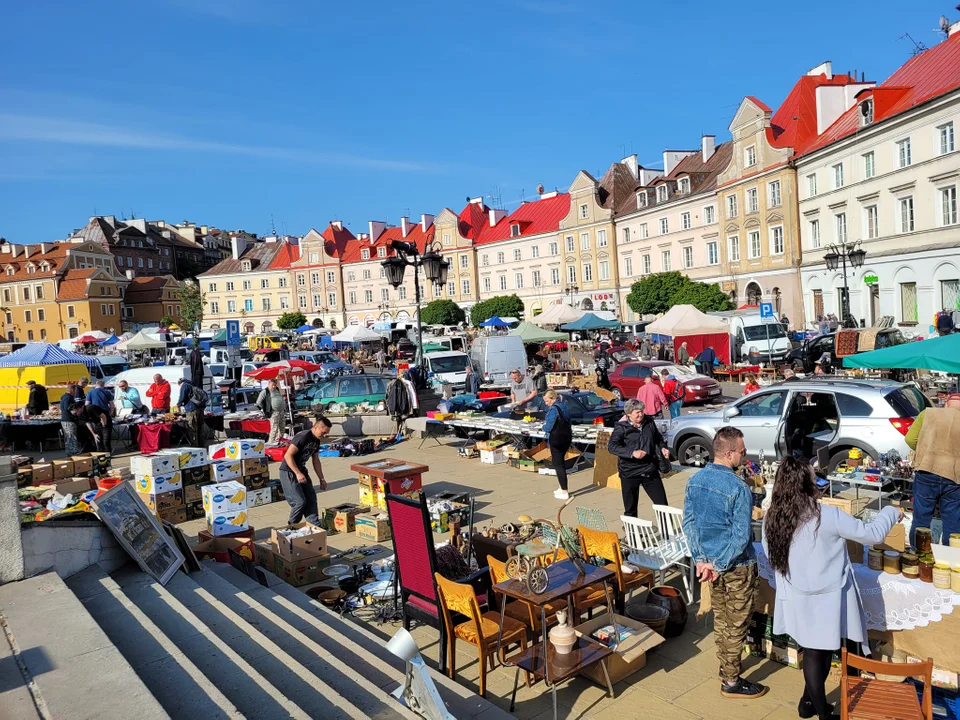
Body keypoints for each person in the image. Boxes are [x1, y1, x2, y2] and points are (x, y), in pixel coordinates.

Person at [763, 457, 901, 720]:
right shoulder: (825, 515)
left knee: (819, 651)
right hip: (826, 597)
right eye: (814, 477)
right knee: (818, 654)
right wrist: (891, 512)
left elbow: (772, 556)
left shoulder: (774, 516)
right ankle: (822, 714)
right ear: (806, 483)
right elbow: (872, 534)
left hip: (797, 596)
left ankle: (808, 703)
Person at [682, 427, 768, 700]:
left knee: (721, 619)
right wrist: (716, 564)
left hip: (710, 564)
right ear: (729, 453)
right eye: (742, 452)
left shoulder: (695, 480)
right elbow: (741, 536)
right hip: (736, 567)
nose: (744, 456)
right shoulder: (738, 488)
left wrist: (702, 560)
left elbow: (689, 524)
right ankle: (731, 680)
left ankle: (725, 669)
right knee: (736, 623)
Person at [905, 393, 960, 547]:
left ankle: (917, 557)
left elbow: (910, 439)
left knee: (921, 519)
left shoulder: (928, 413)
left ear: (946, 404)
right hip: (955, 476)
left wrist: (926, 451)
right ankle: (951, 560)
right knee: (953, 522)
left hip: (927, 470)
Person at [608, 398, 671, 516]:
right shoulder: (621, 427)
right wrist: (632, 453)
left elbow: (658, 438)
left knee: (662, 505)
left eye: (642, 411)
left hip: (649, 469)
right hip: (629, 472)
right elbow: (612, 447)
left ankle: (666, 532)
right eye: (637, 412)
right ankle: (632, 533)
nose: (641, 414)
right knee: (630, 508)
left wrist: (663, 447)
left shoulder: (649, 422)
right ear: (629, 414)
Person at [279, 417, 332, 525]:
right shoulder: (303, 437)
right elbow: (288, 455)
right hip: (288, 471)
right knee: (299, 502)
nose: (325, 435)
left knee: (311, 497)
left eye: (326, 433)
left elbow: (316, 461)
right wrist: (297, 473)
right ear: (316, 427)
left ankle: (315, 526)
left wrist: (321, 479)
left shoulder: (316, 441)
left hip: (301, 470)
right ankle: (292, 526)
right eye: (323, 432)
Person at [543, 390, 573, 501]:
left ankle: (564, 491)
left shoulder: (553, 409)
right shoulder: (564, 406)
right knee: (560, 462)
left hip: (556, 439)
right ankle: (561, 487)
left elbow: (549, 426)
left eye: (547, 401)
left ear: (552, 398)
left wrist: (543, 427)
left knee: (558, 464)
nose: (546, 404)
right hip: (566, 437)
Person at [176, 377, 205, 447]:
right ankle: (201, 446)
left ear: (180, 383)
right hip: (200, 408)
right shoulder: (193, 384)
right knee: (200, 428)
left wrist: (178, 405)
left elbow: (182, 397)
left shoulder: (184, 386)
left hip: (191, 409)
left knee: (192, 428)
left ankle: (195, 446)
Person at [85, 380, 114, 449]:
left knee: (98, 434)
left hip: (95, 414)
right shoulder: (107, 392)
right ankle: (108, 452)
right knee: (106, 434)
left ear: (96, 385)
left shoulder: (90, 392)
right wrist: (110, 413)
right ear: (103, 385)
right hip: (105, 413)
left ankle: (100, 452)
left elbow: (87, 404)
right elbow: (112, 405)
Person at [59, 384, 82, 455]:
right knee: (71, 437)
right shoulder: (68, 398)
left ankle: (70, 453)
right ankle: (74, 453)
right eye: (75, 390)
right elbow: (67, 407)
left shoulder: (65, 397)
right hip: (68, 420)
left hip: (66, 420)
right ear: (72, 390)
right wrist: (75, 410)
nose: (76, 392)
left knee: (69, 437)